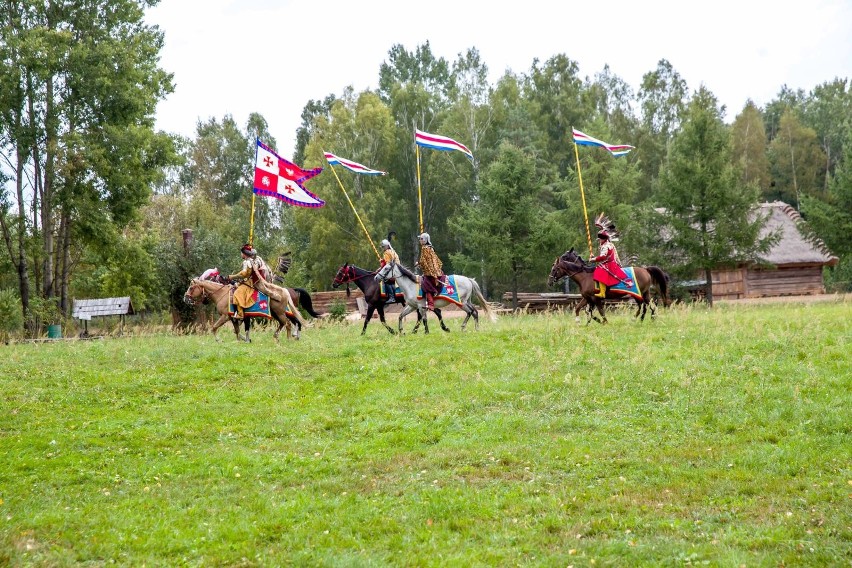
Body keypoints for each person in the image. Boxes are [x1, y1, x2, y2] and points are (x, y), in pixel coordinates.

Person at [228, 244, 268, 319]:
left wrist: (233, 276)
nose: (241, 254)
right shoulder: (250, 261)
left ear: (244, 254)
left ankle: (240, 314)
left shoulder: (247, 262)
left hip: (249, 283)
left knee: (237, 293)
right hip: (247, 281)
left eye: (241, 253)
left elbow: (244, 274)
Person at [589, 230, 631, 298]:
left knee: (600, 272)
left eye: (600, 239)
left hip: (609, 264)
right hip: (608, 263)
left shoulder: (606, 246)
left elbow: (603, 257)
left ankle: (602, 293)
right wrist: (594, 257)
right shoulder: (607, 244)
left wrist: (593, 259)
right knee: (599, 269)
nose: (599, 240)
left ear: (604, 239)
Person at [416, 232, 443, 310]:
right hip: (436, 271)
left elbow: (423, 261)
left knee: (426, 286)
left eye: (421, 239)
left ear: (425, 240)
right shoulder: (431, 247)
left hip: (431, 272)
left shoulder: (425, 248)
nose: (420, 241)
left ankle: (431, 304)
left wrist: (418, 264)